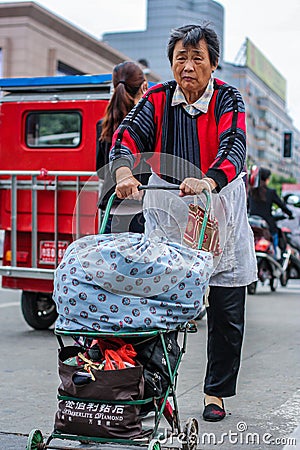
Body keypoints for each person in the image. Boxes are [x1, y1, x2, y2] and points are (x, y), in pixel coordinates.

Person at [109, 24, 257, 422]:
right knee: (160, 304)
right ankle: (155, 387)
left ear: (213, 64)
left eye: (197, 59)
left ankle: (216, 394)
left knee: (227, 309)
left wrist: (209, 179)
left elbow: (234, 146)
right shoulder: (157, 98)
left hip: (218, 201)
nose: (187, 67)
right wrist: (124, 172)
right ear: (171, 63)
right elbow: (127, 136)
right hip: (169, 207)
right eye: (180, 58)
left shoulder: (229, 97)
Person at [96, 61, 149, 233]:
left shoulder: (104, 125)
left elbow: (101, 170)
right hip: (142, 209)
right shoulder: (148, 123)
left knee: (111, 259)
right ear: (144, 86)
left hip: (112, 207)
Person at [248, 168, 293, 259]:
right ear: (267, 179)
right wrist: (290, 214)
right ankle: (276, 256)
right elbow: (282, 206)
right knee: (275, 237)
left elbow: (247, 207)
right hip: (267, 225)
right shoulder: (270, 192)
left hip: (252, 225)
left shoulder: (251, 192)